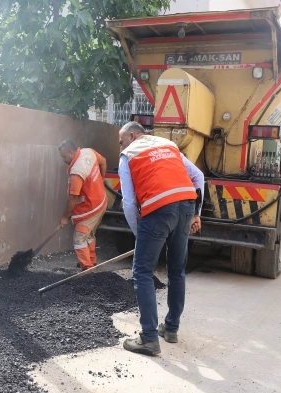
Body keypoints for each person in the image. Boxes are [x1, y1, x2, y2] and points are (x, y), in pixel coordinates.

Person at [117, 122, 204, 357]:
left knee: (142, 271)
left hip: (158, 210)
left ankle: (149, 338)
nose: (120, 146)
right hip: (186, 206)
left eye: (121, 141)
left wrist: (140, 235)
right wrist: (196, 214)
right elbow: (198, 177)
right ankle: (171, 329)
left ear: (133, 135)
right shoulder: (169, 146)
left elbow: (128, 202)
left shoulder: (128, 155)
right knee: (176, 269)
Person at [58, 140, 108, 270]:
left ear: (71, 152)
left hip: (91, 208)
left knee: (79, 237)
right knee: (89, 234)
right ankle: (91, 261)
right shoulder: (89, 152)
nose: (63, 160)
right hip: (100, 201)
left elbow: (74, 198)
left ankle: (87, 269)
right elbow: (103, 161)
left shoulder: (77, 172)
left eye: (64, 156)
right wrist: (101, 180)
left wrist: (64, 217)